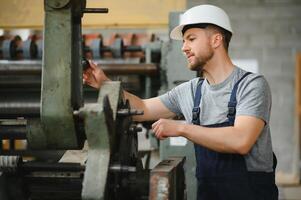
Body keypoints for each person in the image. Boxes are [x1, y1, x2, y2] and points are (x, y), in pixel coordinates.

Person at [83, 4, 278, 200]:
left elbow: (240, 141)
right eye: (184, 41)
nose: (184, 47)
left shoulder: (252, 85)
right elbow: (142, 108)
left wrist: (182, 128)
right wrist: (105, 84)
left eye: (191, 39)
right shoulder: (192, 90)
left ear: (216, 39)